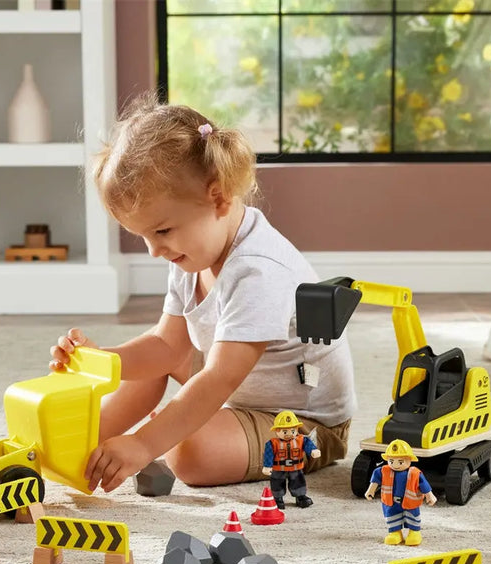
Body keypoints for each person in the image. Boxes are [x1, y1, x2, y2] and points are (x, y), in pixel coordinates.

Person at [50, 93, 356, 494]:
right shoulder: (189, 254)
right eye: (143, 236)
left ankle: (156, 436)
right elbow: (166, 347)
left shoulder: (258, 270)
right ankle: (84, 441)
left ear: (218, 197)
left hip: (297, 421)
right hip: (241, 388)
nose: (154, 250)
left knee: (189, 452)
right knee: (155, 365)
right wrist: (100, 359)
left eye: (162, 231)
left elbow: (219, 378)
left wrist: (145, 443)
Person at [365, 439, 437, 546]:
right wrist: (371, 490)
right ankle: (395, 533)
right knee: (392, 517)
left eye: (400, 462)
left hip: (410, 503)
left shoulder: (415, 473)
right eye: (391, 461)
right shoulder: (383, 471)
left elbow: (424, 484)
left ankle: (414, 532)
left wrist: (430, 495)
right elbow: (375, 480)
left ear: (409, 460)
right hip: (391, 502)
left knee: (412, 517)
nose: (395, 465)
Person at [262, 410, 320, 509]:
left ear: (297, 429)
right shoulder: (272, 443)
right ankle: (277, 498)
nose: (289, 434)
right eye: (285, 431)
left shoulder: (302, 440)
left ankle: (300, 497)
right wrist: (267, 466)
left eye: (293, 431)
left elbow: (308, 445)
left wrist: (313, 450)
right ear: (277, 431)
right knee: (277, 483)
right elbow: (268, 455)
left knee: (298, 482)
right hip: (279, 469)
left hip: (296, 468)